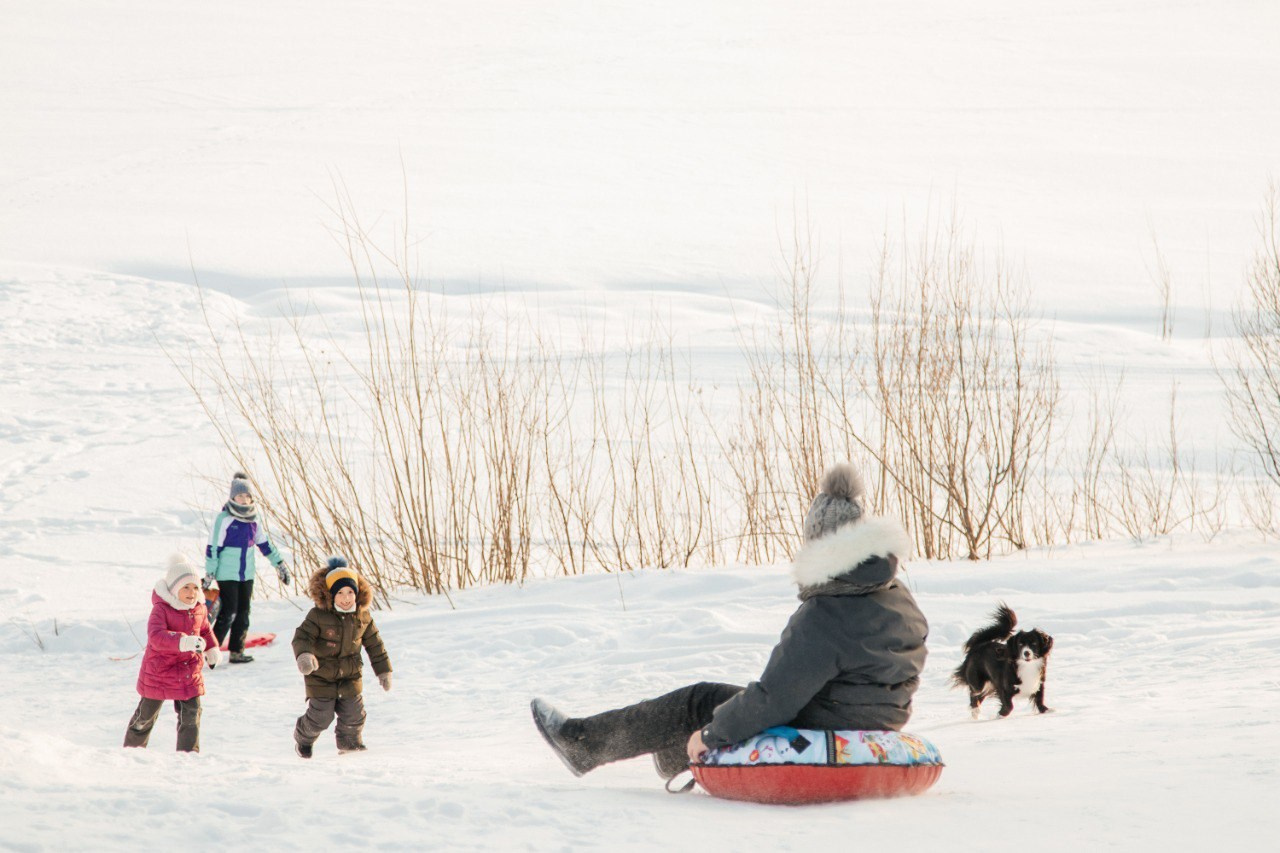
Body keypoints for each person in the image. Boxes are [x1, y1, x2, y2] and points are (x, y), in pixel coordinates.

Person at [531, 462, 928, 782]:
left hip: (826, 725)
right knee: (723, 707)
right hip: (879, 719)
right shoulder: (898, 596)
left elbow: (774, 699)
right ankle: (675, 757)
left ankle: (582, 744)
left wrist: (711, 734)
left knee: (700, 701)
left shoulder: (825, 615)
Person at [290, 557, 392, 758]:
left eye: (350, 592)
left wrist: (384, 671)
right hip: (321, 675)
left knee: (354, 715)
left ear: (357, 593)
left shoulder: (363, 617)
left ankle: (350, 745)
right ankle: (303, 737)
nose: (346, 598)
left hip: (350, 676)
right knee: (321, 717)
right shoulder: (318, 615)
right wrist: (305, 655)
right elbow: (303, 637)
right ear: (331, 595)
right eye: (340, 593)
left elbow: (375, 645)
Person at [124, 554, 221, 752]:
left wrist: (212, 649)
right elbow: (156, 636)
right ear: (174, 589)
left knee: (191, 715)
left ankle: (188, 755)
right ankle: (131, 752)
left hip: (188, 671)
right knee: (145, 717)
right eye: (185, 587)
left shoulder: (199, 608)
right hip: (160, 671)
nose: (192, 592)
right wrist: (182, 641)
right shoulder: (161, 609)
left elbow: (204, 630)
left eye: (195, 587)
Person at [205, 471, 290, 663]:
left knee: (243, 613)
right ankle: (211, 652)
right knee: (229, 612)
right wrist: (210, 572)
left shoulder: (254, 518)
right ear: (232, 497)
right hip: (226, 574)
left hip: (247, 574)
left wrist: (279, 564)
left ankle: (237, 651)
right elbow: (213, 547)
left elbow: (265, 544)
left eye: (247, 495)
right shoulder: (224, 519)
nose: (243, 499)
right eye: (240, 495)